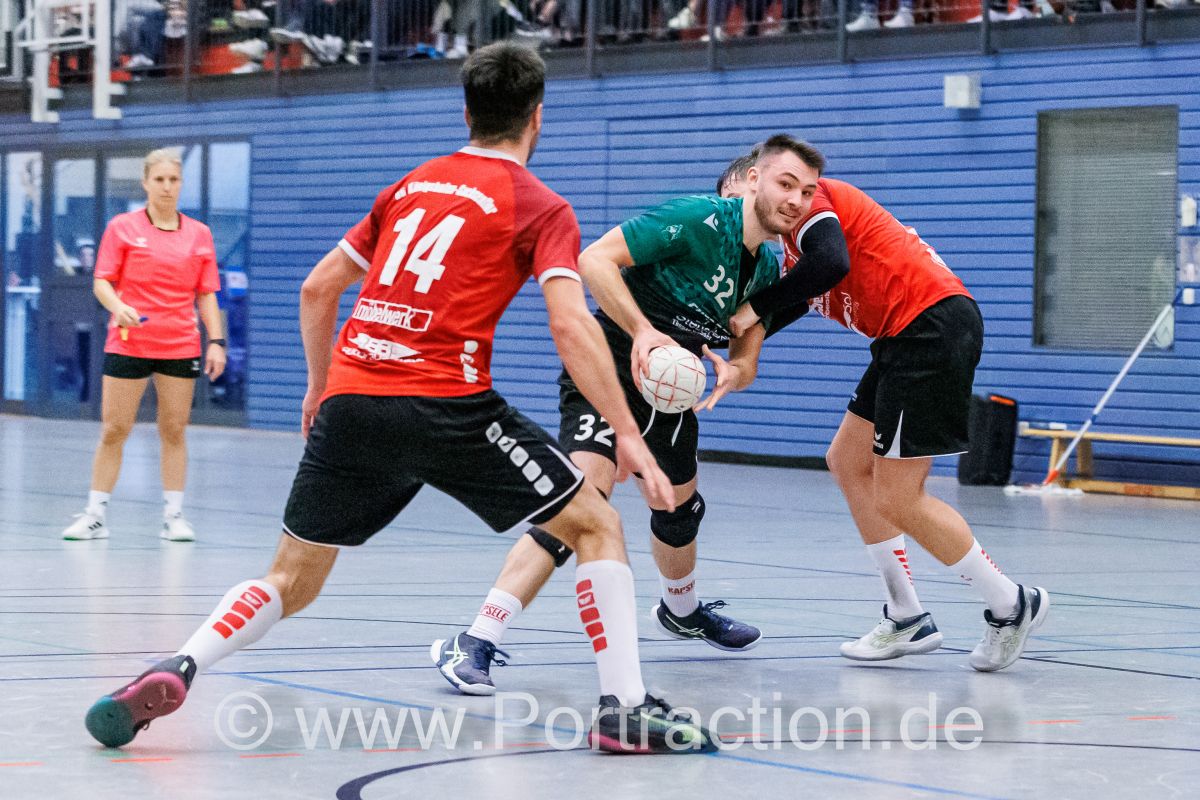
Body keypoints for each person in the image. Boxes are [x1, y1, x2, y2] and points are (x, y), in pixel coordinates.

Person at [84, 43, 716, 755]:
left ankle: (182, 662)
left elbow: (317, 289)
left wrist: (321, 386)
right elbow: (571, 324)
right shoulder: (541, 207)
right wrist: (626, 430)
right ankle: (623, 709)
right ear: (537, 118)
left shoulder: (409, 186)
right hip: (449, 405)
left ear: (466, 112)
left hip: (353, 399)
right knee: (597, 524)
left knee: (291, 578)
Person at [430, 134, 828, 695]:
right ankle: (476, 637)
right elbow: (593, 260)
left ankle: (681, 612)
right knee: (579, 508)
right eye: (787, 184)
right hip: (611, 369)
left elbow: (748, 345)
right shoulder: (695, 219)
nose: (797, 200)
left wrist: (736, 371)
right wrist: (642, 330)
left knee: (680, 509)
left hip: (669, 393)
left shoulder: (765, 265)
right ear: (752, 180)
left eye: (807, 192)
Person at [722, 148, 1049, 673]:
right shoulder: (788, 258)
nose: (730, 217)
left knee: (899, 497)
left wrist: (754, 308)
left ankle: (1012, 604)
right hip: (904, 338)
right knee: (847, 461)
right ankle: (905, 614)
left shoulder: (808, 205)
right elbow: (775, 312)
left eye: (733, 200)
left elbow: (830, 265)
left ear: (757, 182)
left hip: (930, 327)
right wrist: (717, 348)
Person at [61, 148, 227, 544]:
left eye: (174, 180)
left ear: (180, 184)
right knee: (114, 429)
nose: (167, 187)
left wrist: (217, 341)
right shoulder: (121, 228)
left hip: (180, 345)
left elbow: (206, 294)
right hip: (128, 343)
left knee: (174, 430)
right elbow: (102, 281)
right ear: (146, 183)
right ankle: (95, 516)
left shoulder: (199, 234)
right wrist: (118, 308)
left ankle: (174, 516)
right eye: (160, 180)